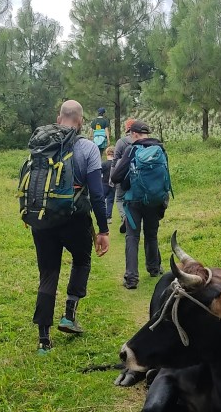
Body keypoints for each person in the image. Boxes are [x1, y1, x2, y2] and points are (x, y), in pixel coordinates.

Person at [30, 100, 110, 354]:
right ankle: (69, 315)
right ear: (81, 121)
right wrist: (103, 230)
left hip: (42, 217)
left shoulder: (41, 143)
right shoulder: (88, 147)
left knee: (48, 273)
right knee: (82, 260)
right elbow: (97, 194)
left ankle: (44, 340)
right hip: (75, 218)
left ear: (59, 118)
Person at [110, 120, 168, 290]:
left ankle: (131, 278)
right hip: (154, 200)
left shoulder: (132, 150)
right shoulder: (160, 149)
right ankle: (154, 268)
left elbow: (116, 177)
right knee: (151, 235)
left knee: (132, 237)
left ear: (134, 134)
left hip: (134, 200)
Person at [111, 118, 137, 233]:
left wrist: (112, 177)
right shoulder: (140, 142)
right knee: (133, 197)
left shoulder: (121, 142)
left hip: (122, 174)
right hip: (136, 175)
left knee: (119, 198)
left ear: (126, 129)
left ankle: (124, 217)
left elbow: (114, 160)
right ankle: (133, 219)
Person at [100, 145, 116, 222]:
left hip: (104, 184)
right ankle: (108, 218)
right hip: (113, 185)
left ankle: (101, 215)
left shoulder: (104, 164)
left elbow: (99, 174)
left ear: (107, 153)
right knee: (110, 201)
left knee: (102, 200)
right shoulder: (116, 164)